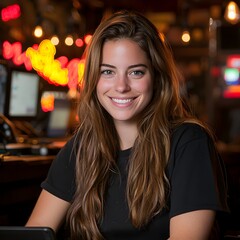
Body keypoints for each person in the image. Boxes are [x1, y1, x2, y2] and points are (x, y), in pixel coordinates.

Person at [26, 10, 229, 240]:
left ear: (156, 76)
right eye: (108, 72)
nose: (121, 86)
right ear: (94, 79)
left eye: (135, 72)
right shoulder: (81, 147)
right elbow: (35, 232)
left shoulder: (189, 143)